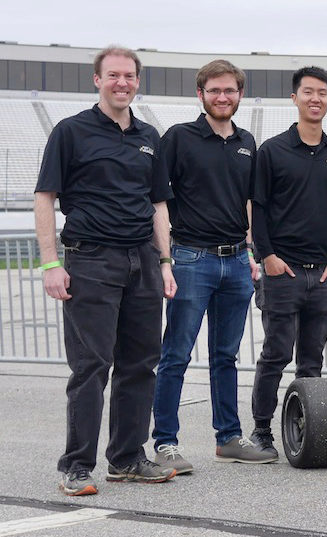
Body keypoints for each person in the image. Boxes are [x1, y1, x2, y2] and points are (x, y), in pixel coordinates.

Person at [36, 45, 178, 496]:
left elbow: (158, 204)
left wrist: (165, 261)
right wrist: (50, 263)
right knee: (92, 366)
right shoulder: (71, 132)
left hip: (142, 261)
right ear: (96, 80)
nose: (122, 83)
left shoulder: (149, 136)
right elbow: (45, 198)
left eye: (130, 76)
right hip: (91, 259)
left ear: (138, 81)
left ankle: (128, 458)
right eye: (113, 75)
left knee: (140, 364)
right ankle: (76, 466)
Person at [152, 59, 274, 473]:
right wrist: (165, 258)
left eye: (230, 91)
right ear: (200, 94)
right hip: (191, 259)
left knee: (226, 355)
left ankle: (228, 438)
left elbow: (249, 202)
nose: (223, 97)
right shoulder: (179, 138)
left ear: (240, 95)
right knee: (176, 355)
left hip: (237, 260)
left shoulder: (247, 141)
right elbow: (159, 202)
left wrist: (253, 255)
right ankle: (165, 442)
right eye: (215, 90)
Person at [249, 66, 327, 456]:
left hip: (322, 275)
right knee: (275, 354)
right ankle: (262, 431)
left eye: (322, 92)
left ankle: (306, 430)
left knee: (312, 361)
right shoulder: (272, 151)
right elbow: (258, 209)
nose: (315, 99)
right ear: (295, 98)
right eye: (308, 92)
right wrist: (268, 257)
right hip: (283, 272)